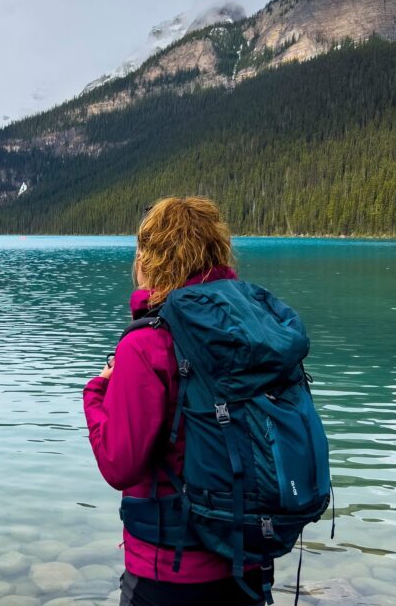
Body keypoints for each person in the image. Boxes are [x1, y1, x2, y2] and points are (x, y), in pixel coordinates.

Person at [83, 196, 265, 606]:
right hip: (248, 557)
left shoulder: (148, 344)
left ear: (150, 257)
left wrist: (96, 392)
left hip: (170, 569)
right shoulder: (254, 328)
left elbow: (119, 464)